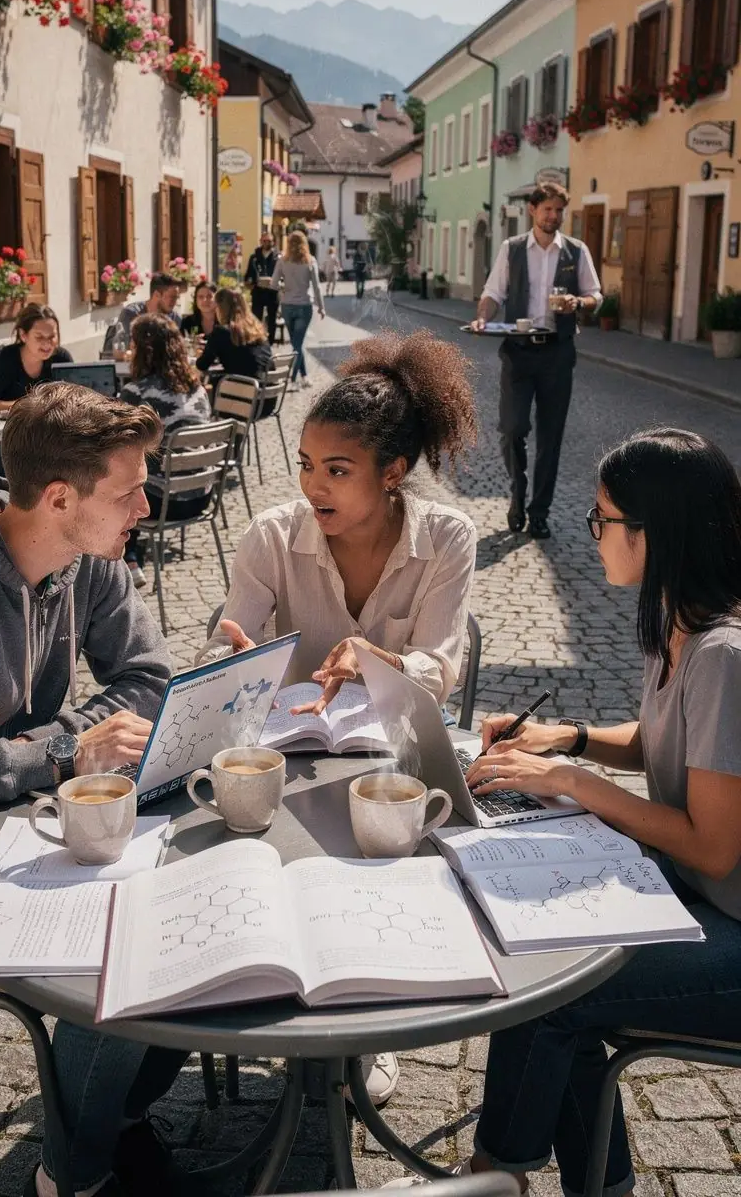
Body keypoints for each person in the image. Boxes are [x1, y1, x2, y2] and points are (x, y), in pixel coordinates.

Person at [446, 428, 741, 1197]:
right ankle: (597, 1185)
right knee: (555, 966)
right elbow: (660, 742)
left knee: (555, 989)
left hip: (733, 928)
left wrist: (573, 781)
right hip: (703, 900)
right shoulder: (679, 620)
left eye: (602, 519)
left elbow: (712, 847)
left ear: (657, 532)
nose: (594, 532)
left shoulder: (725, 655)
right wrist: (569, 737)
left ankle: (494, 1174)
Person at [0, 382, 199, 1197]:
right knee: (116, 951)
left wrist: (68, 745)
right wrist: (60, 752)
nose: (146, 506)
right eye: (127, 491)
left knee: (182, 902)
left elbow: (152, 675)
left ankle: (111, 1119)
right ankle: (73, 1179)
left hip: (10, 829)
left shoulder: (85, 559)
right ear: (56, 497)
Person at [200, 331, 479, 1108]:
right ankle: (272, 997)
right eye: (304, 464)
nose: (312, 485)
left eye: (337, 470)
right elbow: (230, 646)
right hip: (280, 765)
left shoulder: (447, 538)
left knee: (386, 877)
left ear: (393, 474)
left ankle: (367, 1029)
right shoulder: (272, 535)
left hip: (389, 767)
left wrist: (382, 662)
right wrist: (234, 663)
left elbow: (442, 664)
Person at [470, 182, 601, 540]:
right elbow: (493, 292)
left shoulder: (576, 251)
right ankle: (517, 493)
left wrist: (579, 303)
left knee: (550, 437)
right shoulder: (512, 250)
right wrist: (483, 316)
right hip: (519, 351)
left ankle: (539, 511)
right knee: (512, 428)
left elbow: (596, 295)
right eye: (548, 209)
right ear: (533, 209)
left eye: (559, 210)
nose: (554, 216)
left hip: (558, 353)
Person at [121, 314, 213, 585]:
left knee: (116, 476)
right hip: (201, 497)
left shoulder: (137, 394)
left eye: (133, 343)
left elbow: (116, 447)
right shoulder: (197, 388)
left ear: (142, 350)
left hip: (163, 505)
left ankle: (127, 559)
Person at [0, 303, 72, 412]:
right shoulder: (2, 359)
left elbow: (74, 400)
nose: (47, 344)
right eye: (39, 337)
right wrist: (29, 406)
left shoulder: (62, 359)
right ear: (23, 335)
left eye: (52, 336)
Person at [272, 228, 325, 388]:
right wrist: (321, 307)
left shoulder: (282, 260)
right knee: (297, 344)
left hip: (287, 305)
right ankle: (297, 378)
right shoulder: (310, 261)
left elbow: (274, 284)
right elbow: (316, 287)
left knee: (296, 343)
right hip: (304, 305)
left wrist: (284, 287)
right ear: (304, 244)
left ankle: (299, 377)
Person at [103, 273, 182, 358]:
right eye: (172, 297)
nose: (175, 302)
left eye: (176, 298)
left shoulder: (175, 318)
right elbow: (124, 350)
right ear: (156, 294)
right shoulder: (131, 314)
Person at [245, 229, 279, 343]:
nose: (266, 243)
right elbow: (248, 275)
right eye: (264, 241)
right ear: (260, 241)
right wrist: (250, 283)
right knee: (256, 317)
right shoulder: (254, 257)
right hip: (258, 291)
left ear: (273, 242)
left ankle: (270, 342)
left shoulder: (278, 257)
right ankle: (257, 340)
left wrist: (275, 281)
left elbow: (283, 275)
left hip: (272, 291)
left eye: (269, 241)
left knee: (272, 319)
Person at [180, 278, 218, 344]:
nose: (205, 300)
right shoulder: (188, 322)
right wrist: (191, 343)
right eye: (200, 297)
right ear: (196, 300)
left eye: (209, 296)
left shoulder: (225, 322)